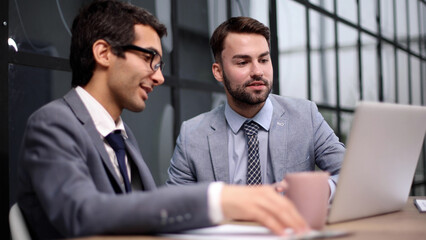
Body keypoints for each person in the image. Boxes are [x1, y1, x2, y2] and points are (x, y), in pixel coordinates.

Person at [16, 1, 309, 239]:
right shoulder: (53, 123)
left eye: (160, 64)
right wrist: (218, 200)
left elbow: (143, 214)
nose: (159, 77)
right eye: (149, 59)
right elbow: (81, 212)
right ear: (104, 53)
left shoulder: (122, 135)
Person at [167, 17, 345, 198]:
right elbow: (174, 203)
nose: (258, 71)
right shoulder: (192, 135)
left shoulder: (306, 116)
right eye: (243, 62)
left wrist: (319, 190)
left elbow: (350, 176)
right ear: (218, 72)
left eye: (263, 60)